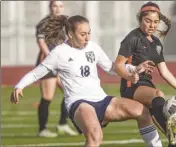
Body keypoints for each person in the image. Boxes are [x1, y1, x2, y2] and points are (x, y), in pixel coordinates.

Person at [10, 15, 163, 147]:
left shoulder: (93, 48)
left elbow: (111, 68)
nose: (87, 38)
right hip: (79, 103)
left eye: (89, 33)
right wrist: (19, 86)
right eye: (83, 34)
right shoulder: (59, 53)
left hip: (102, 100)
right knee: (95, 136)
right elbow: (36, 73)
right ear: (70, 34)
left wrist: (134, 68)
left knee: (143, 112)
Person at [113, 2, 176, 147]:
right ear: (140, 20)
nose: (152, 25)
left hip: (146, 86)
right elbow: (117, 65)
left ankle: (174, 136)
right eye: (148, 21)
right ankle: (171, 129)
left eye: (156, 22)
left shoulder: (157, 43)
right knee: (158, 94)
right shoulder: (132, 38)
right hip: (131, 86)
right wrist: (130, 75)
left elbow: (164, 72)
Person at [35, 0, 77, 137]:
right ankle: (42, 129)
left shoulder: (66, 22)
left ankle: (62, 124)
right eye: (55, 6)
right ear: (50, 7)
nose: (58, 9)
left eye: (60, 6)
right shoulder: (44, 23)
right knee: (48, 96)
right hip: (48, 63)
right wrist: (52, 59)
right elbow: (41, 43)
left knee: (70, 92)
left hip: (61, 63)